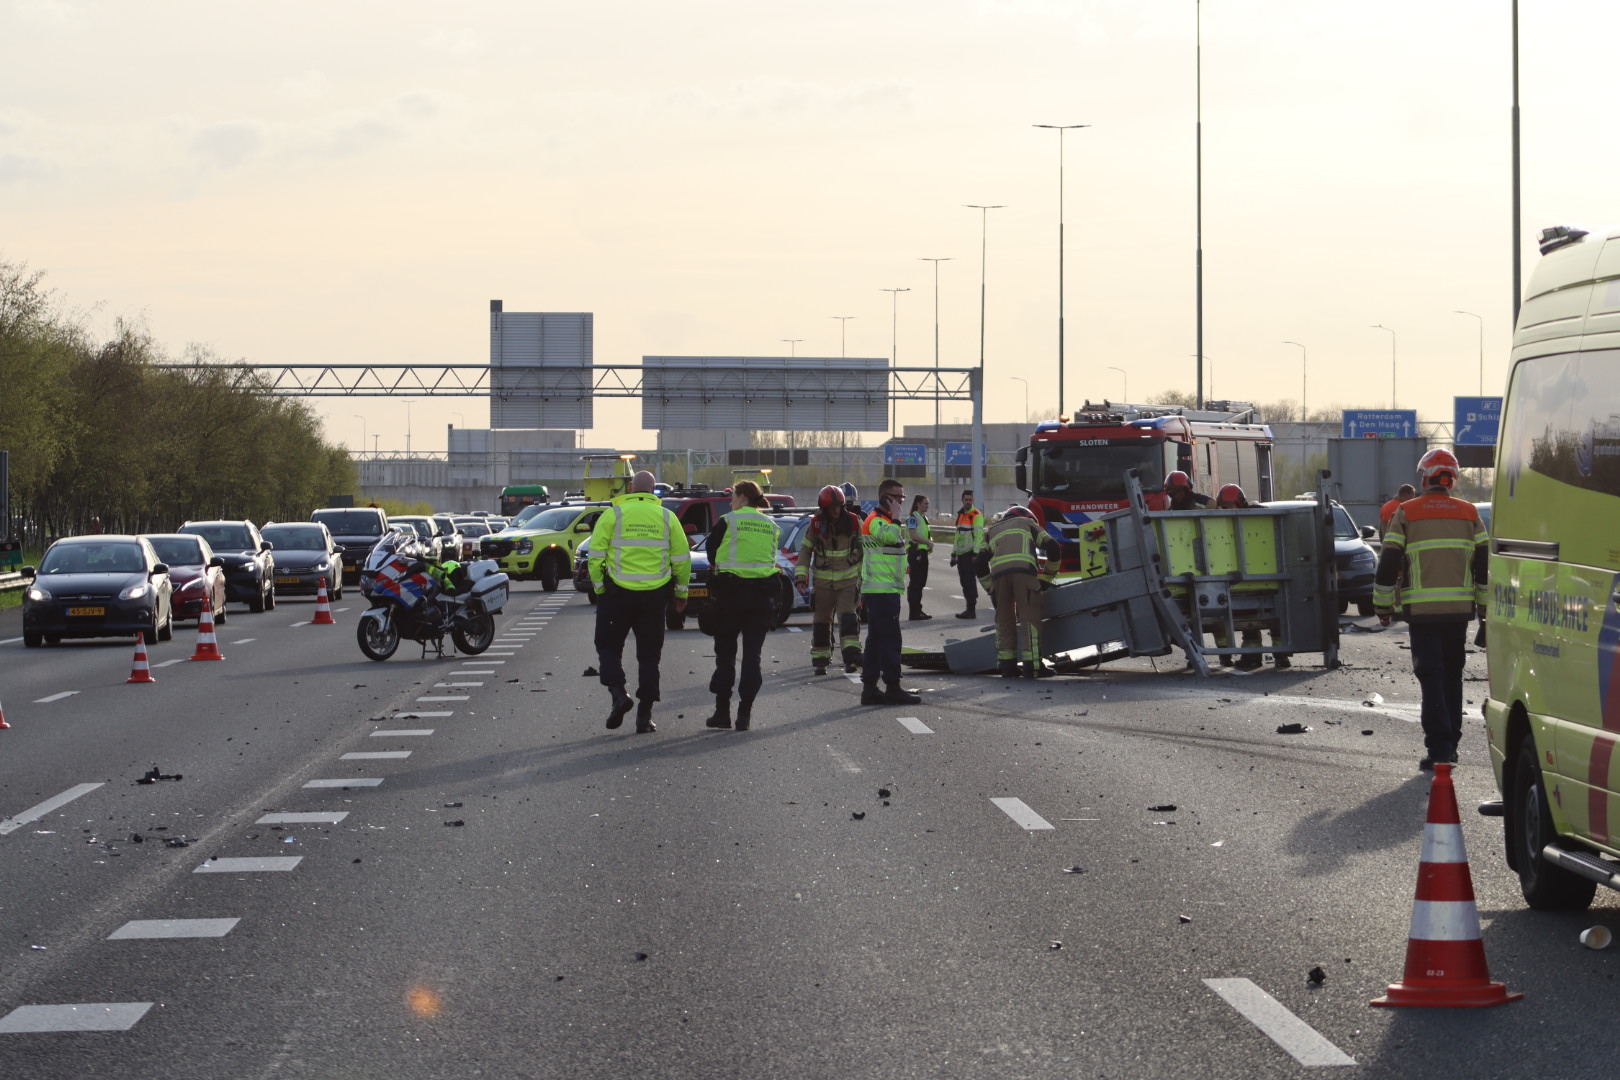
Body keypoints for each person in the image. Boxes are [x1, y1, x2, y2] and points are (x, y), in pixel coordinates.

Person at [1373, 447, 1488, 771]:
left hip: (1422, 614)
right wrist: (1483, 608)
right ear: (1452, 479)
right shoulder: (1469, 512)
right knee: (1452, 675)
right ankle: (1450, 745)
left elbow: (1389, 561)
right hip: (1458, 612)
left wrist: (1382, 605)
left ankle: (1438, 748)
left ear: (1424, 477)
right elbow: (1483, 564)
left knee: (1431, 677)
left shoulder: (1406, 511)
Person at [587, 470, 690, 734]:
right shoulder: (667, 517)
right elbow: (681, 558)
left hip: (617, 595)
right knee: (649, 656)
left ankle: (618, 693)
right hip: (654, 597)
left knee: (608, 646)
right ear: (654, 490)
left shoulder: (613, 514)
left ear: (631, 488)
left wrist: (599, 588)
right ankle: (645, 717)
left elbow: (595, 556)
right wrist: (681, 592)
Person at [703, 481, 781, 731]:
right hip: (762, 597)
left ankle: (722, 713)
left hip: (731, 595)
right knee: (752, 658)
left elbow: (711, 552)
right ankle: (744, 715)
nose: (730, 501)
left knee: (726, 655)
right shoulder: (771, 525)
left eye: (733, 496)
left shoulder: (728, 521)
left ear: (742, 496)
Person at [1210, 483, 1292, 670]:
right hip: (1247, 579)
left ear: (1240, 503)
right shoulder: (1227, 523)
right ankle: (1253, 656)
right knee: (1250, 621)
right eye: (1224, 508)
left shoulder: (1258, 516)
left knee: (1276, 618)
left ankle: (1281, 655)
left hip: (1267, 577)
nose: (1227, 511)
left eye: (1229, 506)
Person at [977, 505, 1061, 678]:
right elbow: (1053, 546)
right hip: (1024, 574)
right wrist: (1047, 577)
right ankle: (1033, 666)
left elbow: (979, 562)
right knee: (1029, 620)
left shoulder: (991, 531)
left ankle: (1007, 666)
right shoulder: (1027, 523)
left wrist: (990, 588)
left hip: (999, 578)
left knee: (1004, 621)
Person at [859, 478, 921, 705]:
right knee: (890, 640)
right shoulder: (876, 520)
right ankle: (893, 688)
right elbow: (889, 537)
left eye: (902, 497)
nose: (900, 502)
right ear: (884, 497)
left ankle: (870, 689)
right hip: (881, 590)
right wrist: (895, 517)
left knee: (876, 641)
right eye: (896, 497)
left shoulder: (885, 520)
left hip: (884, 589)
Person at [796, 484, 864, 675]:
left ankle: (851, 659)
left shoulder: (853, 522)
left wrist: (863, 577)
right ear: (824, 508)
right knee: (821, 622)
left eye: (838, 507)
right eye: (831, 508)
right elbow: (805, 551)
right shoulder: (816, 524)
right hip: (823, 583)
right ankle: (820, 660)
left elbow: (864, 549)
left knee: (848, 618)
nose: (836, 511)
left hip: (848, 580)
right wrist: (800, 578)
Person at [950, 489, 986, 619]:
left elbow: (978, 536)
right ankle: (968, 608)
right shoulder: (961, 515)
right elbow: (957, 536)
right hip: (961, 554)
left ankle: (971, 609)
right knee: (964, 582)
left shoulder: (976, 515)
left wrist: (975, 554)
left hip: (970, 554)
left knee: (969, 581)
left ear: (973, 500)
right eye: (966, 500)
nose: (968, 502)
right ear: (962, 500)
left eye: (970, 500)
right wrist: (953, 554)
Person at [905, 494, 934, 621]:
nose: (927, 506)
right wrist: (927, 542)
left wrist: (929, 542)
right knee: (915, 583)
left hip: (922, 553)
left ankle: (918, 610)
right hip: (915, 552)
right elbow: (913, 535)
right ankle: (914, 612)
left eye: (928, 503)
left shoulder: (924, 518)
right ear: (918, 504)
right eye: (925, 503)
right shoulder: (913, 518)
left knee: (921, 583)